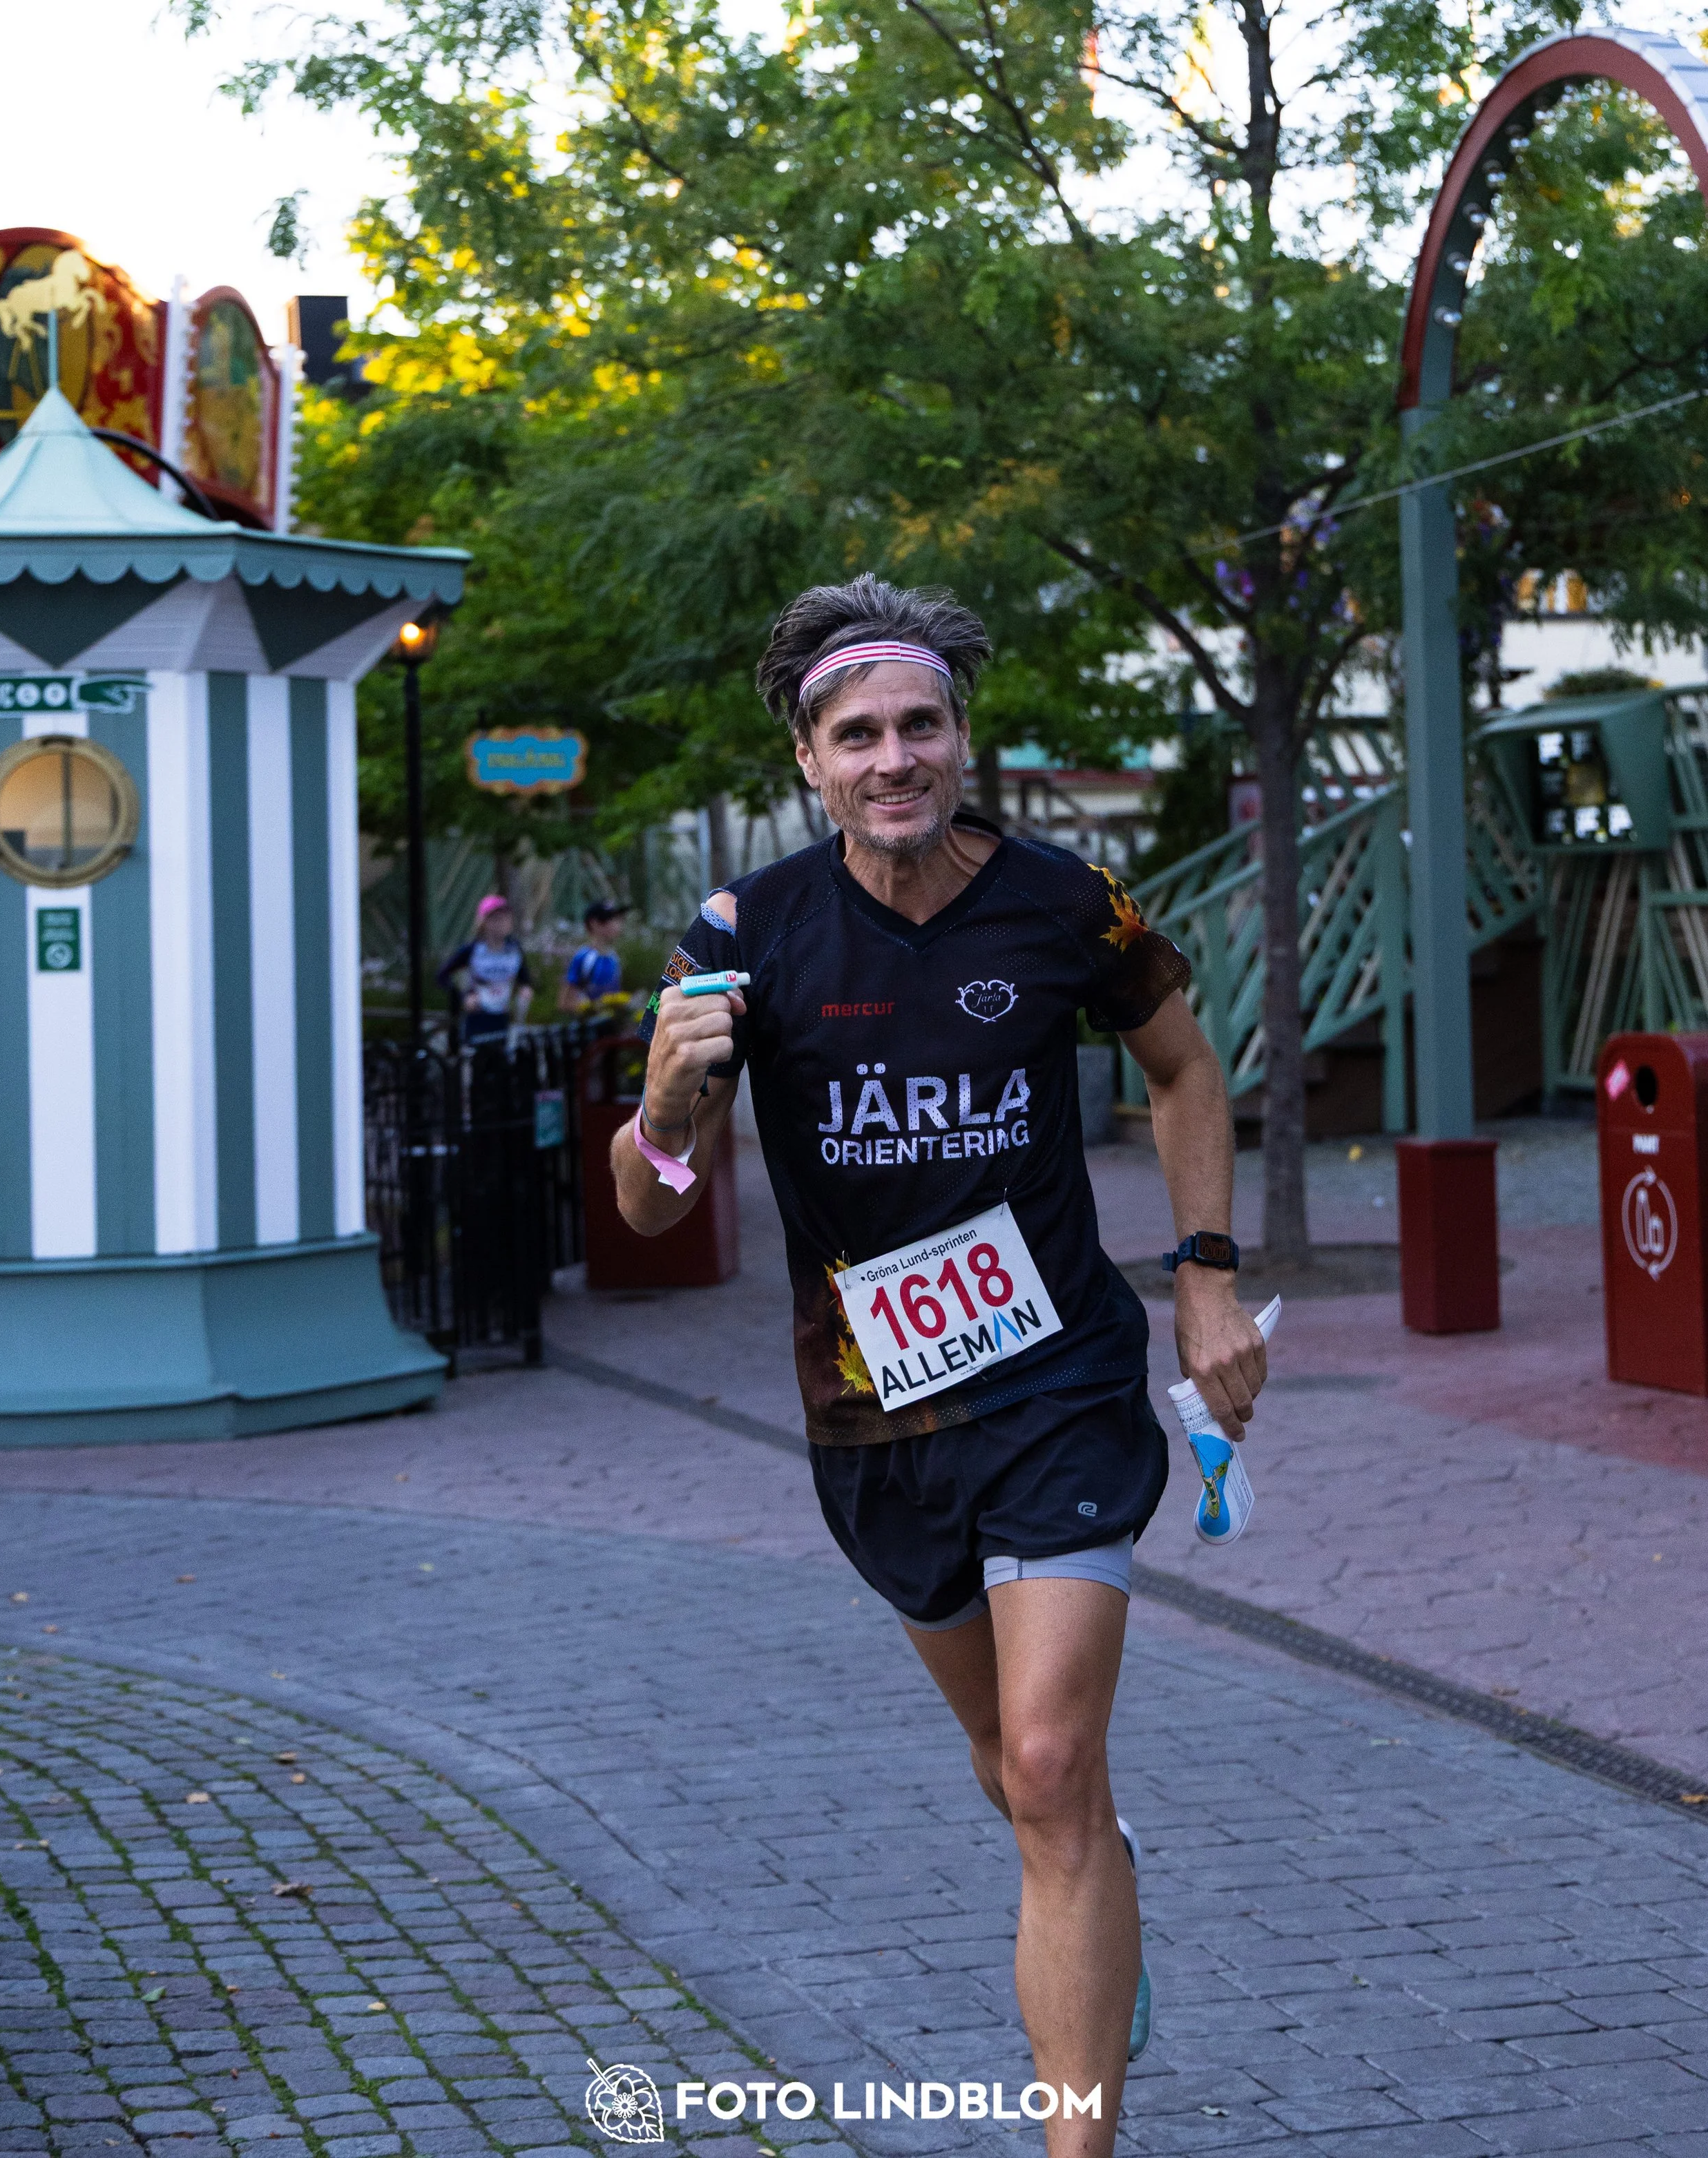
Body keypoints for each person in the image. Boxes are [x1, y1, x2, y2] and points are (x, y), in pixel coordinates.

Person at [611, 575, 1267, 2158]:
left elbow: (1183, 1067)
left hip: (1059, 1387)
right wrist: (664, 1102)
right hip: (873, 1420)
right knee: (1014, 1768)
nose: (892, 756)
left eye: (919, 724)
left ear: (961, 737)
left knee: (1046, 1755)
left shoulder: (1064, 904)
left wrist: (1203, 1276)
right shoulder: (746, 934)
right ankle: (1099, 1892)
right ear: (808, 761)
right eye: (857, 735)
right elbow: (645, 1206)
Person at [437, 895, 534, 1044]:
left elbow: (525, 979)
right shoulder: (472, 950)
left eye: (505, 918)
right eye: (496, 919)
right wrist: (464, 997)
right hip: (477, 1018)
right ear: (484, 922)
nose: (502, 923)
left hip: (502, 1017)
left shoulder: (515, 950)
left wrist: (525, 990)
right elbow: (442, 976)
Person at [562, 900, 630, 1012]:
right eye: (610, 920)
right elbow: (565, 1002)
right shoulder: (584, 957)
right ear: (594, 924)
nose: (617, 925)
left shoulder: (613, 957)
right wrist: (590, 1009)